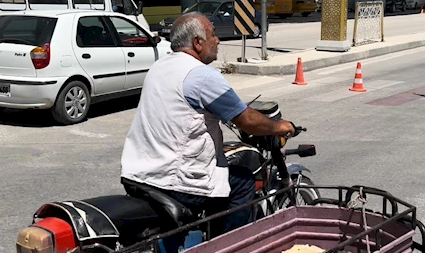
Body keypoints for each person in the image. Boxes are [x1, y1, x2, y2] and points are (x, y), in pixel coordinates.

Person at [120, 13, 295, 235]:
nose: (218, 40)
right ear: (197, 42)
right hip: (173, 181)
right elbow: (247, 120)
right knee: (242, 181)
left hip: (138, 171)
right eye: (213, 34)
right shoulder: (201, 75)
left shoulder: (160, 66)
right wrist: (281, 126)